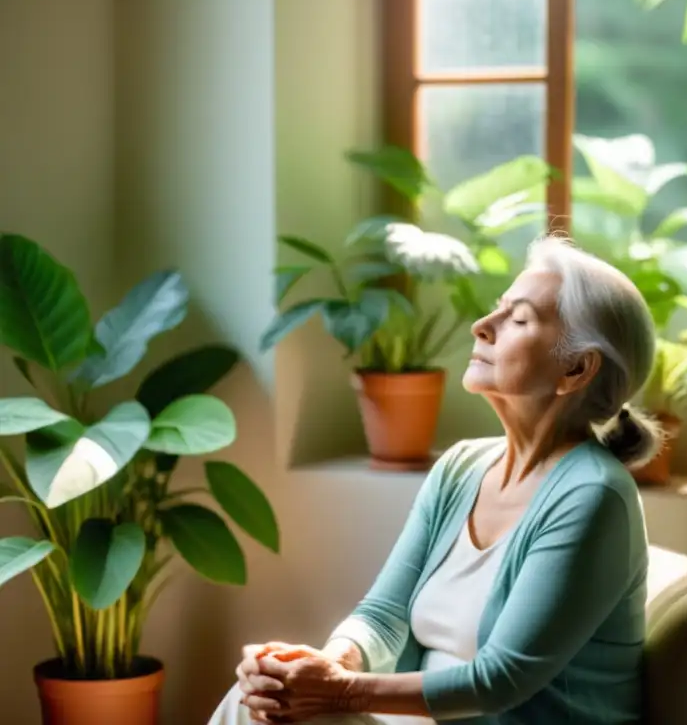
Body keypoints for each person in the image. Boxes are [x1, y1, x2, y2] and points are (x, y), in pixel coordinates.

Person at [208, 236, 661, 725]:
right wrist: (327, 664)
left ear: (576, 369)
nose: (482, 327)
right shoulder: (461, 467)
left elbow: (501, 679)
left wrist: (337, 692)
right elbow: (383, 614)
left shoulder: (593, 495)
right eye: (497, 310)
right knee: (261, 700)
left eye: (519, 319)